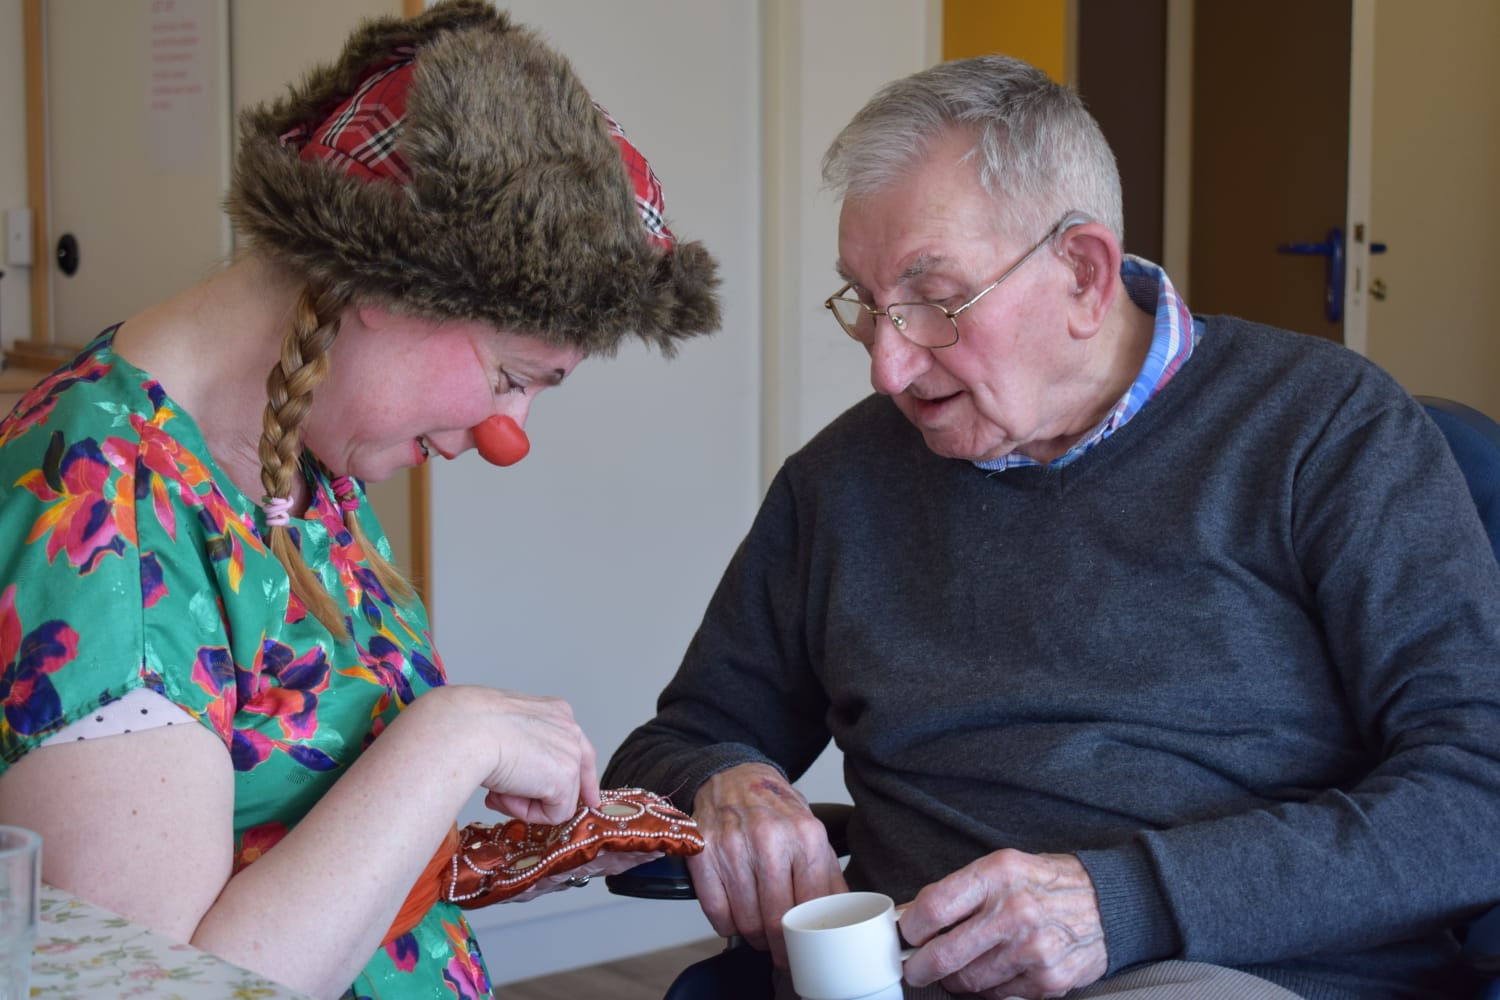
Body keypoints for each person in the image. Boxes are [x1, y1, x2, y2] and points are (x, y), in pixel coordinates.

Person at [604, 54, 1500, 1000]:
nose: (888, 368)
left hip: (1225, 972)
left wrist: (1122, 904)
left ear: (1082, 271)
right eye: (866, 308)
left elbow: (1479, 794)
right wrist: (726, 782)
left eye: (934, 304)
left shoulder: (1324, 429)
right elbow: (669, 749)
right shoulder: (838, 485)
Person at [0, 3, 719, 998]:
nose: (507, 434)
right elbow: (161, 987)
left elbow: (298, 849)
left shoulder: (298, 458)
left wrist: (499, 853)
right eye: (514, 376)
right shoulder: (103, 520)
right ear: (389, 281)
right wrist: (452, 737)